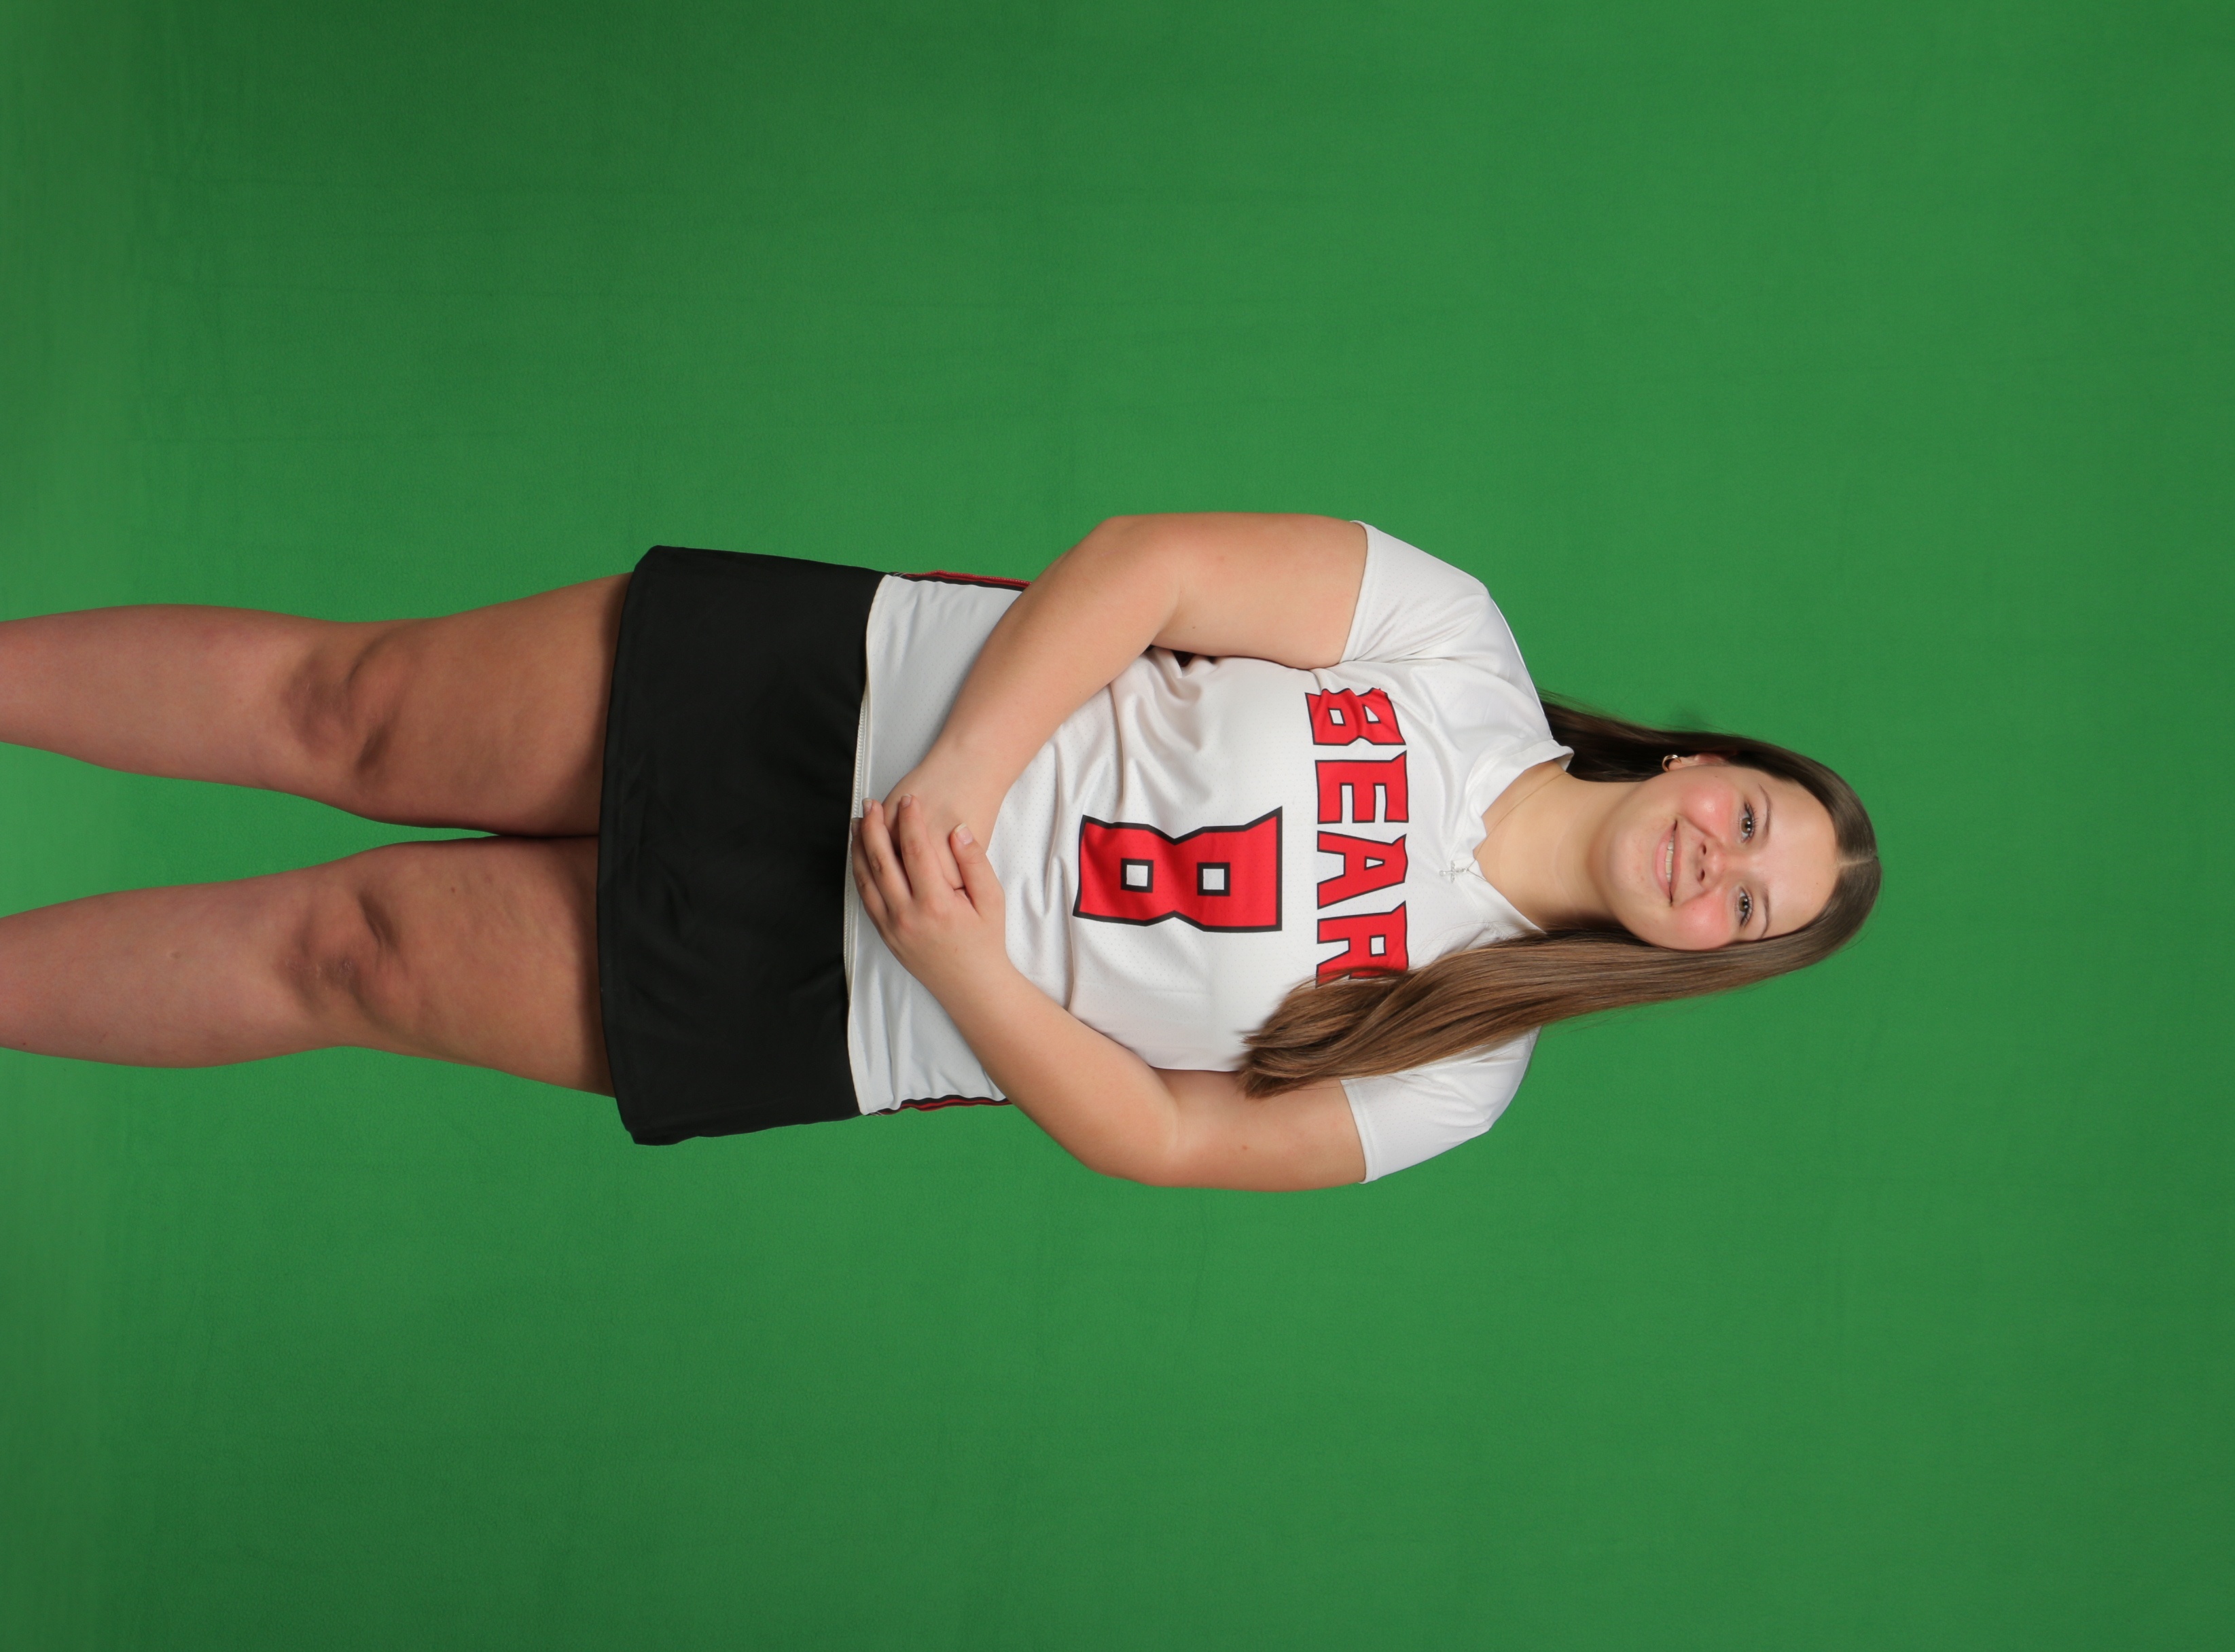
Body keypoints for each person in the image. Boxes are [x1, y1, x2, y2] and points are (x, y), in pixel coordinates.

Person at [0, 514, 1878, 1189]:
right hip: (853, 698)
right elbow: (1153, 565)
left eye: (1747, 910)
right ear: (1707, 759)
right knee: (353, 709)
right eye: (1752, 824)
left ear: (1704, 959)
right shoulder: (1458, 646)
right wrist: (966, 774)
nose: (1714, 867)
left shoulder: (1463, 1072)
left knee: (353, 953)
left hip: (851, 996)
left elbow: (1169, 1138)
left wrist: (962, 956)